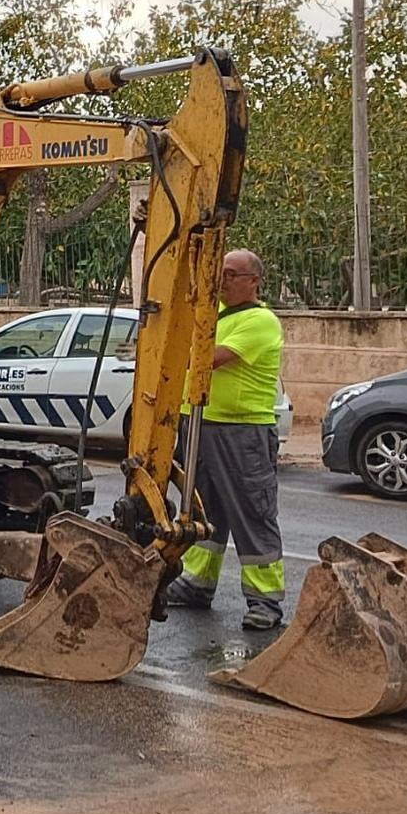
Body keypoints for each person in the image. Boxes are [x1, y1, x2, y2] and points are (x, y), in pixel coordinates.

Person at [164, 249, 288, 629]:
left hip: (242, 431)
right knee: (203, 511)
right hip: (199, 424)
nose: (223, 280)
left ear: (254, 281)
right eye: (220, 273)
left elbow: (206, 358)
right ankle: (197, 584)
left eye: (232, 274)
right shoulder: (212, 314)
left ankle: (264, 602)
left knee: (252, 513)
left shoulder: (260, 321)